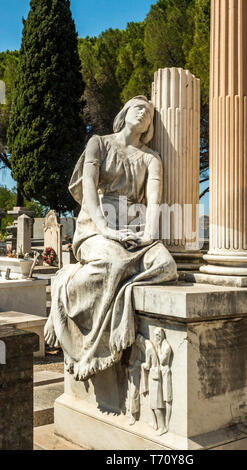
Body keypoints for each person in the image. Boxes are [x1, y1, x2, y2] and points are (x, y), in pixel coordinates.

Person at [44, 95, 178, 382]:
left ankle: (123, 297)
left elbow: (153, 202)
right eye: (138, 107)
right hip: (96, 226)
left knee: (167, 265)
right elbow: (89, 188)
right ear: (125, 112)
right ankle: (89, 340)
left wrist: (150, 234)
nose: (144, 113)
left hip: (133, 229)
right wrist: (104, 228)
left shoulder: (152, 159)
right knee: (115, 261)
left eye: (150, 112)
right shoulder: (99, 143)